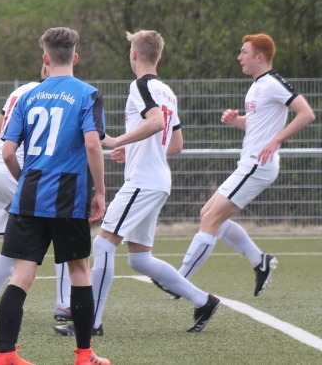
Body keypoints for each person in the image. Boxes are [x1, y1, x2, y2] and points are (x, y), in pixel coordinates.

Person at [52, 30, 219, 337]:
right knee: (140, 258)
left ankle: (91, 323)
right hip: (158, 179)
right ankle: (203, 300)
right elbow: (176, 144)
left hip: (144, 180)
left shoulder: (140, 85)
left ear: (134, 54)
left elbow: (155, 123)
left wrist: (118, 140)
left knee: (103, 244)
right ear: (159, 56)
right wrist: (134, 149)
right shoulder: (167, 91)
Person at [0, 27, 109, 365]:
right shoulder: (87, 93)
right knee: (79, 271)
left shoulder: (28, 96)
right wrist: (100, 191)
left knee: (21, 276)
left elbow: (7, 152)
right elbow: (92, 144)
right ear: (75, 57)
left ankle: (6, 354)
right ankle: (84, 355)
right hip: (69, 197)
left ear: (45, 59)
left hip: (29, 197)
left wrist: (26, 181)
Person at [177, 34, 315, 295]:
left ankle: (178, 280)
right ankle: (259, 261)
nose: (239, 57)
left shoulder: (272, 83)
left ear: (259, 57)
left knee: (211, 219)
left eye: (244, 52)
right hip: (249, 164)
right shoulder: (256, 85)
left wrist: (277, 140)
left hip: (258, 165)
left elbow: (306, 113)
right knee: (207, 214)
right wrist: (236, 120)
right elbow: (256, 125)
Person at [0, 65, 74, 323]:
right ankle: (64, 303)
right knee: (62, 232)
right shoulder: (52, 95)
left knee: (12, 248)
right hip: (17, 171)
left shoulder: (20, 91)